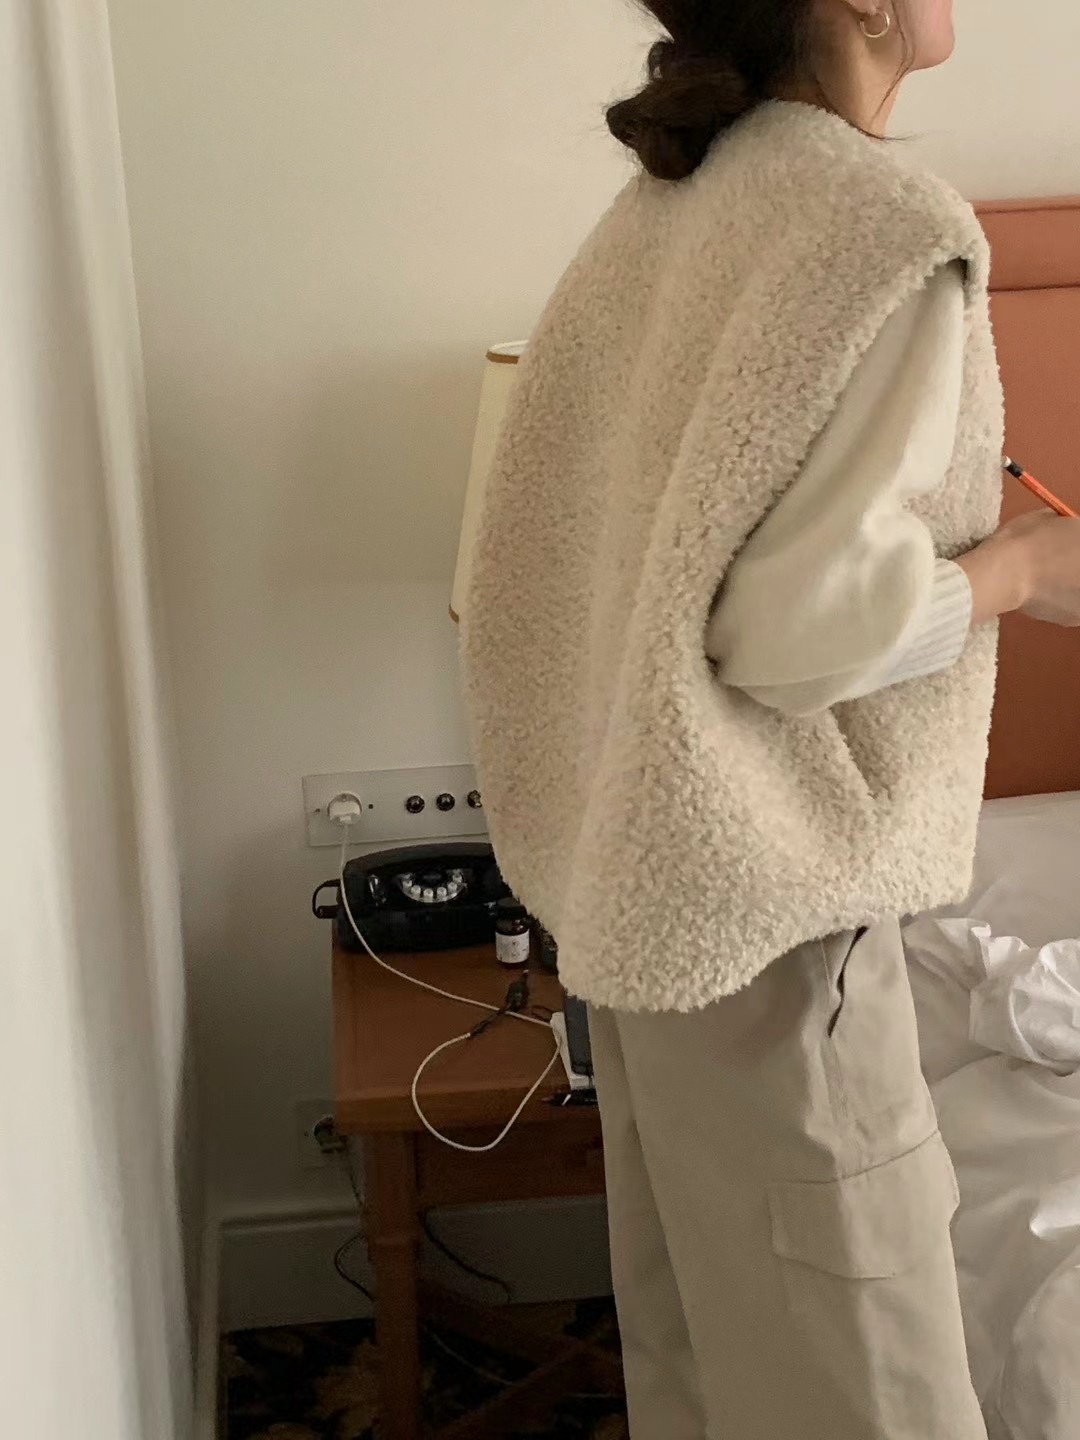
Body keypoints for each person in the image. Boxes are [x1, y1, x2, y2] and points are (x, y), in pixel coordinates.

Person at [460, 3, 1080, 1437]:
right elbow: (792, 638)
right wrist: (1023, 569)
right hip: (775, 923)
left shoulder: (683, 196)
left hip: (652, 902)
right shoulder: (883, 231)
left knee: (708, 1366)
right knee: (868, 1395)